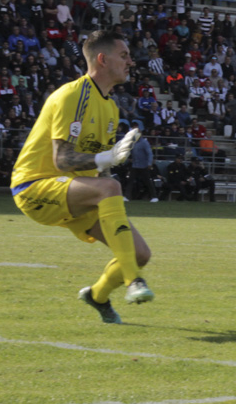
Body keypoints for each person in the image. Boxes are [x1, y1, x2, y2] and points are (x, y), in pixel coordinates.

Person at [9, 30, 152, 324]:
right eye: (123, 56)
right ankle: (133, 283)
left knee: (139, 254)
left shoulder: (111, 107)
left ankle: (97, 296)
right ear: (102, 59)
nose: (130, 62)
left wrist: (108, 174)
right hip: (34, 186)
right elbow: (61, 160)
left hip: (76, 193)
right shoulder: (73, 95)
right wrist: (106, 164)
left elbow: (101, 170)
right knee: (111, 188)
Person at [123, 123, 159, 202]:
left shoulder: (144, 143)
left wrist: (149, 163)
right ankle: (127, 196)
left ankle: (154, 197)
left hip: (144, 165)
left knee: (148, 181)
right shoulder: (132, 142)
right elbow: (129, 151)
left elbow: (149, 153)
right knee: (130, 181)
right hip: (135, 164)